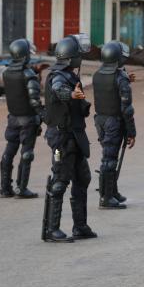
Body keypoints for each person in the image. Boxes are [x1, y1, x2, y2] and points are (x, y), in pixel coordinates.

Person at [42, 34, 97, 242]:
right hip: (62, 138)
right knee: (59, 182)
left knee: (83, 179)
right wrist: (71, 95)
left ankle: (80, 226)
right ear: (71, 57)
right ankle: (52, 229)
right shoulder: (58, 77)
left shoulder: (71, 76)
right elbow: (57, 90)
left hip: (75, 136)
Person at [93, 41, 137, 210]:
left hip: (100, 120)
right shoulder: (120, 78)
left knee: (110, 156)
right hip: (114, 121)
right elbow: (127, 109)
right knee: (109, 160)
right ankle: (106, 197)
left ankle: (113, 192)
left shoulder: (97, 75)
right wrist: (132, 132)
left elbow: (109, 91)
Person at [1, 39, 44, 199]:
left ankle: (5, 188)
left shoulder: (6, 73)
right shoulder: (28, 75)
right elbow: (34, 101)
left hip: (12, 118)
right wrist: (43, 115)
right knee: (27, 153)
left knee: (9, 152)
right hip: (28, 119)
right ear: (24, 55)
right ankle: (21, 188)